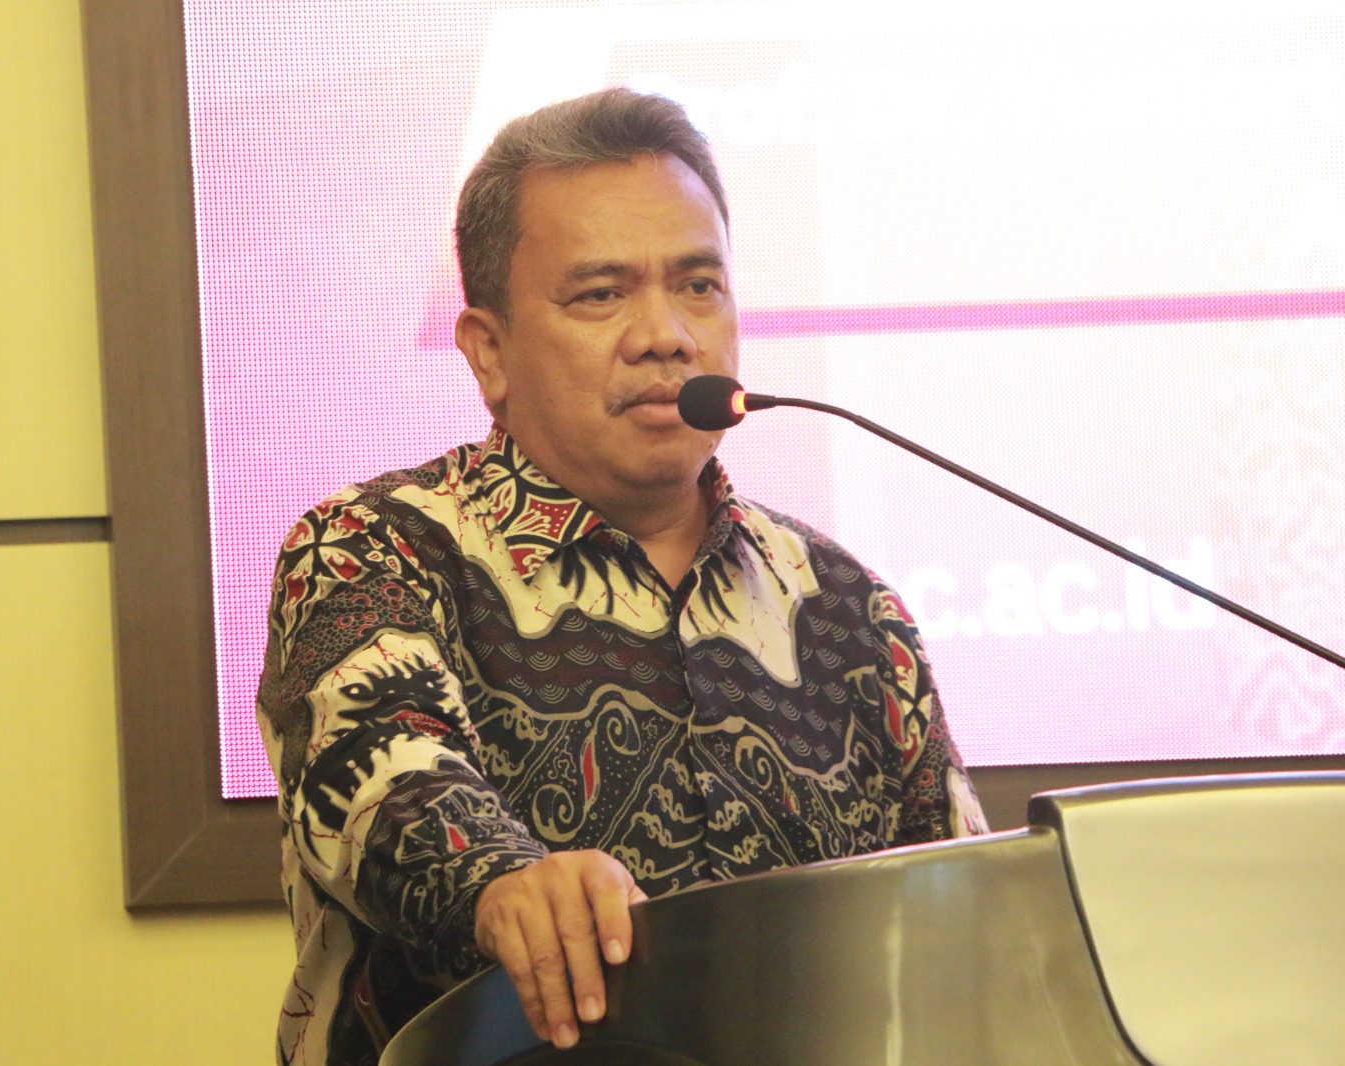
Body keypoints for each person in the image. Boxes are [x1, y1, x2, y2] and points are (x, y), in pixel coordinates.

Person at [255, 87, 987, 1065]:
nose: (665, 334)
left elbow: (963, 918)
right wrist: (506, 883)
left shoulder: (850, 609)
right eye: (601, 294)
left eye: (698, 285)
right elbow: (382, 780)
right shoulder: (371, 550)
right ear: (488, 352)